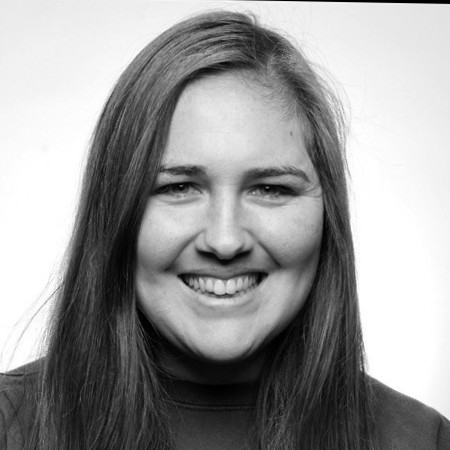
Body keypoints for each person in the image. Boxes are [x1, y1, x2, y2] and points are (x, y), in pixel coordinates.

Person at [0, 9, 449, 450]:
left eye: (270, 189)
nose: (225, 240)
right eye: (178, 187)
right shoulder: (9, 427)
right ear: (114, 209)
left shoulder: (421, 440)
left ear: (327, 212)